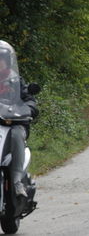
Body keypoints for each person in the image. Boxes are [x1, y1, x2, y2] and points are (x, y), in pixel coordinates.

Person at [0, 40, 39, 197]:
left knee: (17, 134)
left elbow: (28, 98)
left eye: (0, 60)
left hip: (13, 124)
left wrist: (29, 108)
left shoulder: (16, 80)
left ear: (7, 61)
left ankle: (17, 182)